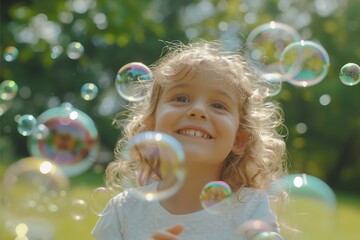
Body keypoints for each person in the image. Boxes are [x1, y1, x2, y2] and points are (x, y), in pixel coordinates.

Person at [92, 40, 287, 240]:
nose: (198, 110)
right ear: (151, 127)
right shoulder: (123, 211)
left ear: (239, 139)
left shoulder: (250, 208)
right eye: (181, 98)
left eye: (219, 105)